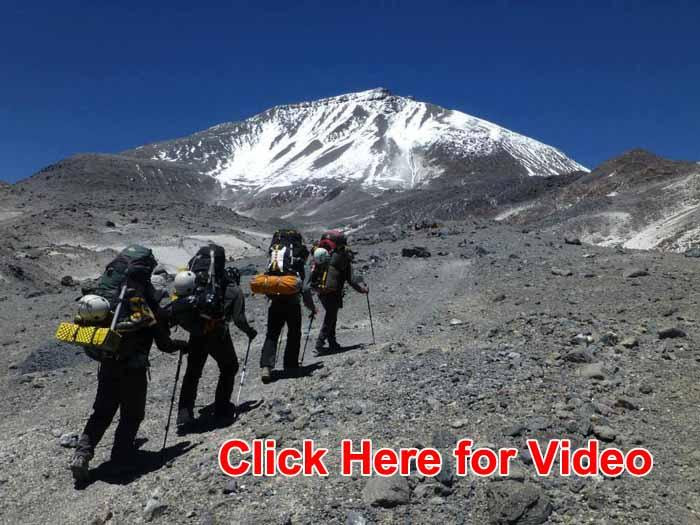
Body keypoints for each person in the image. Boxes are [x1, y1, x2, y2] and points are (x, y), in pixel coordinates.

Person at [70, 246, 187, 482]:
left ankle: (82, 454)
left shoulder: (109, 298)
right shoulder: (143, 305)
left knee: (102, 412)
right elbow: (164, 344)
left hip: (107, 364)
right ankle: (120, 460)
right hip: (134, 369)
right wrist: (181, 345)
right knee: (132, 415)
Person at [169, 247, 257, 429]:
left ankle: (184, 412)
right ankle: (222, 408)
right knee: (229, 366)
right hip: (218, 334)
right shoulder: (232, 289)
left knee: (193, 372)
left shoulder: (196, 284)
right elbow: (239, 319)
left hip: (197, 333)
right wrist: (249, 332)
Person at [257, 231, 316, 383]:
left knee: (272, 334)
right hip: (292, 302)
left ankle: (266, 367)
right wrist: (311, 307)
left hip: (275, 301)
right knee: (294, 333)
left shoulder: (275, 260)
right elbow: (305, 289)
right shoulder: (298, 263)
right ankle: (290, 366)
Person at [312, 231, 368, 354]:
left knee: (331, 316)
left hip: (321, 290)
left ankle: (332, 343)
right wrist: (362, 290)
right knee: (331, 317)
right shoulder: (342, 257)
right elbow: (351, 279)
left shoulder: (326, 255)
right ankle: (320, 343)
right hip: (333, 291)